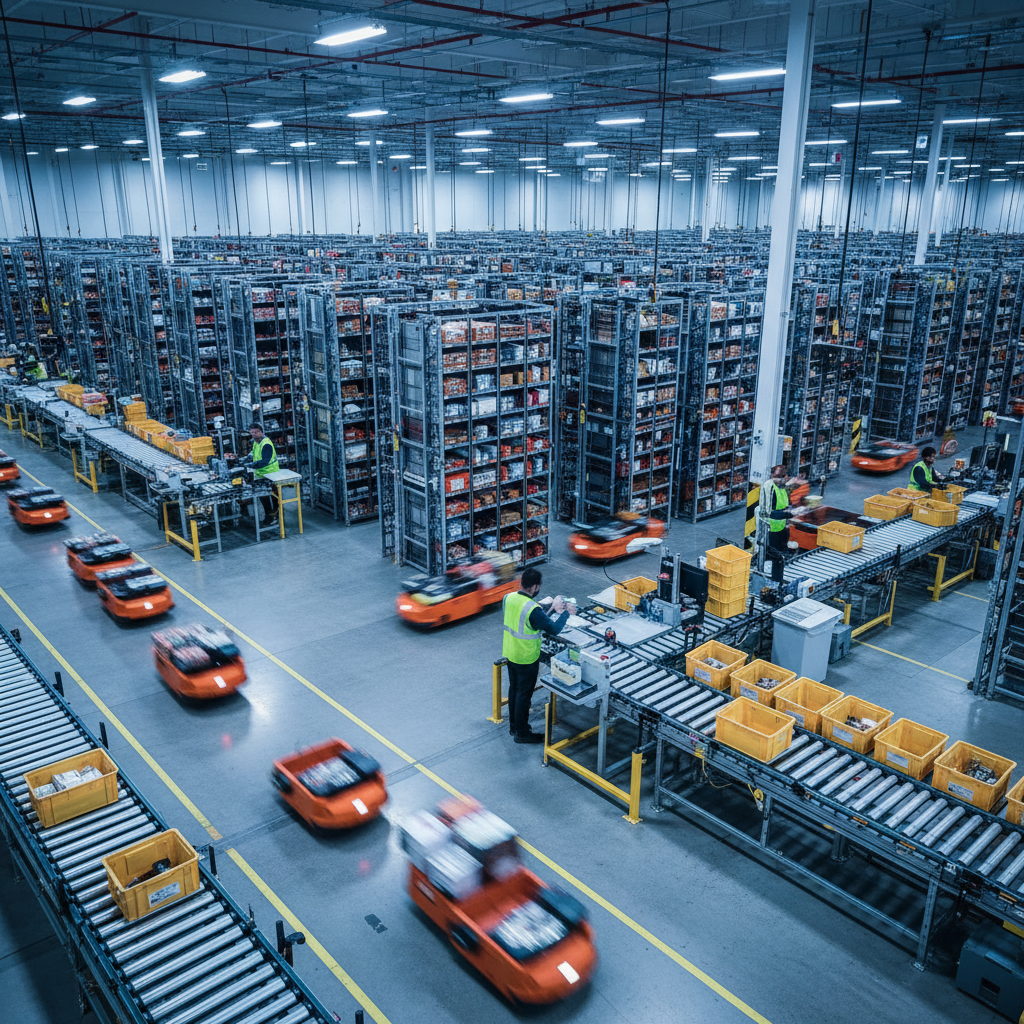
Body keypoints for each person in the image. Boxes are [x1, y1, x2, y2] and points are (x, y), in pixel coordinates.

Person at [502, 567, 570, 744]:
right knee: (524, 695)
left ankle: (514, 726)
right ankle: (522, 733)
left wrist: (552, 609)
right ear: (535, 587)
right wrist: (566, 614)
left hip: (510, 652)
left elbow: (530, 621)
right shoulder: (532, 608)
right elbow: (553, 629)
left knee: (514, 689)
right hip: (526, 657)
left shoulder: (508, 598)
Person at [760, 464, 795, 560]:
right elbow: (766, 513)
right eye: (783, 478)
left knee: (781, 551)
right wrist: (786, 514)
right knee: (773, 554)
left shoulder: (782, 487)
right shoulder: (769, 488)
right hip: (771, 528)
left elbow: (786, 503)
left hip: (782, 525)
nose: (786, 480)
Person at [246, 422, 279, 524]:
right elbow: (254, 452)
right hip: (261, 474)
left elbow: (265, 461)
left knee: (272, 497)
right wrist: (246, 458)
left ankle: (275, 516)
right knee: (263, 496)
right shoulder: (256, 442)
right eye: (252, 432)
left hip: (270, 474)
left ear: (261, 432)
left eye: (256, 432)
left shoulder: (266, 444)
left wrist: (250, 465)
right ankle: (269, 515)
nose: (254, 434)